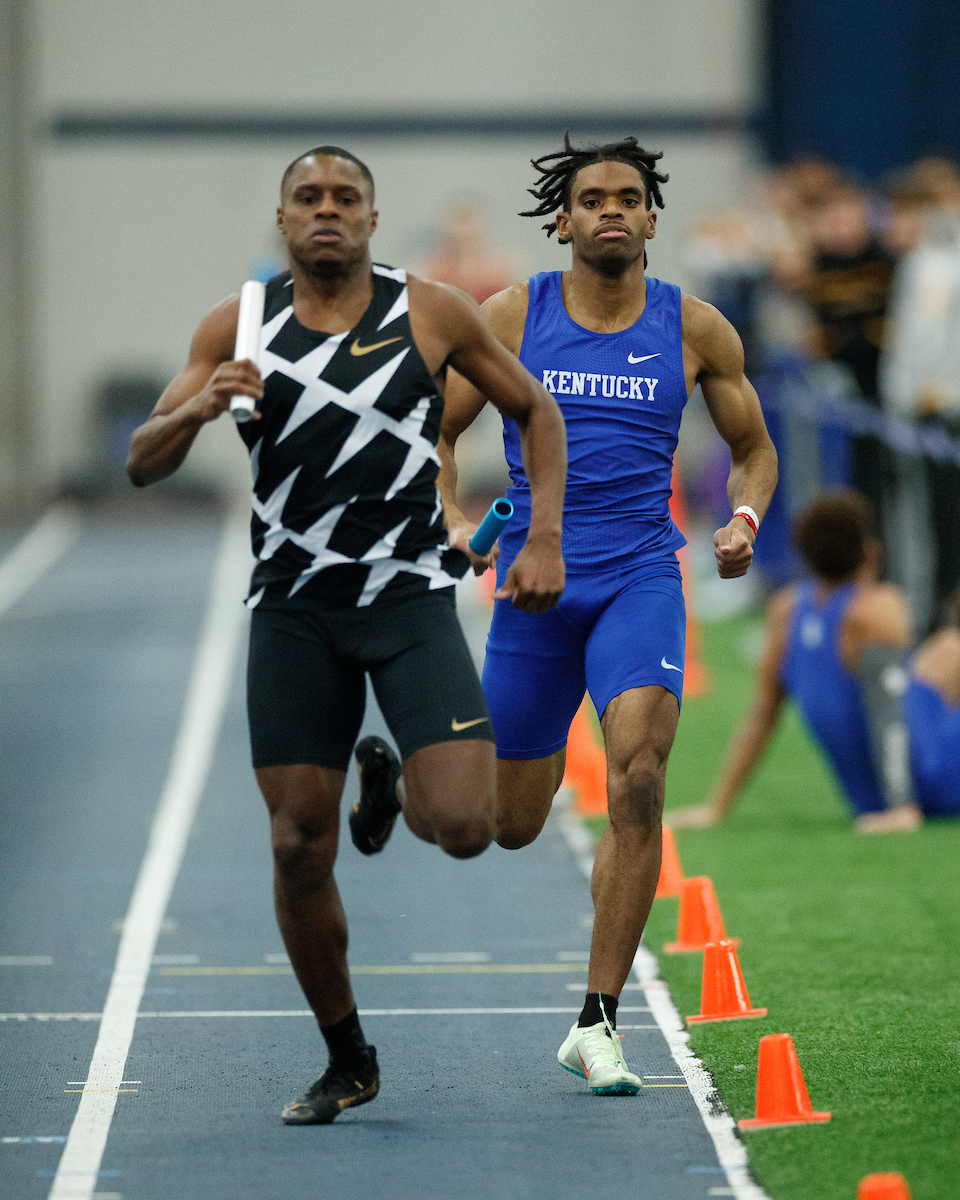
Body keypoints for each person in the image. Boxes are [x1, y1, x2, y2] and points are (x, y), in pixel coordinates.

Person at [126, 146, 567, 1124]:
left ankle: (394, 780)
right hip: (294, 609)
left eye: (346, 199)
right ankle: (346, 1056)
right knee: (295, 847)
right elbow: (141, 462)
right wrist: (199, 407)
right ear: (283, 219)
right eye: (308, 199)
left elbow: (534, 411)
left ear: (372, 218)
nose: (327, 211)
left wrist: (542, 536)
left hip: (409, 600)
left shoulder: (432, 310)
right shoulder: (235, 324)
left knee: (462, 827)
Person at [427, 135, 778, 1096]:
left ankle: (598, 1019)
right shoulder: (511, 314)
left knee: (638, 776)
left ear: (652, 219)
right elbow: (440, 433)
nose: (612, 210)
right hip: (537, 587)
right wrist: (456, 516)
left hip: (639, 577)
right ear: (565, 220)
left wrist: (745, 517)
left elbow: (754, 448)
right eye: (594, 199)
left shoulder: (697, 327)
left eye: (630, 197)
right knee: (507, 823)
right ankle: (408, 783)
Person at [668, 491, 960, 834]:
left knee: (945, 651)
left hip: (868, 801)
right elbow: (888, 715)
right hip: (932, 784)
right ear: (870, 551)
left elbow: (762, 717)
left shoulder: (787, 611)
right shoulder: (876, 608)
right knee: (951, 649)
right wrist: (903, 808)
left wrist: (716, 807)